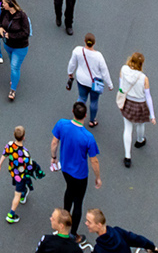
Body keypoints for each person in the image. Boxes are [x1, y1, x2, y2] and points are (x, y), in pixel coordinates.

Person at [50, 101, 102, 242]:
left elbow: (54, 142)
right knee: (78, 202)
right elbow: (94, 161)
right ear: (85, 115)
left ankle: (63, 223)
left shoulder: (62, 124)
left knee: (69, 191)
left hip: (65, 169)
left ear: (72, 111)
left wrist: (53, 158)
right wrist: (97, 177)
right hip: (80, 174)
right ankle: (73, 234)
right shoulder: (88, 137)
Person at [117, 52, 156, 168]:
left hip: (127, 103)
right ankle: (140, 140)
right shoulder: (143, 78)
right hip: (140, 105)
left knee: (127, 128)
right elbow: (148, 96)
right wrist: (152, 115)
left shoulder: (123, 69)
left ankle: (127, 156)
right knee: (140, 124)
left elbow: (121, 86)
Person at [66, 33, 113, 127]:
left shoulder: (78, 51)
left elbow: (72, 63)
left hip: (81, 80)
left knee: (82, 97)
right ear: (94, 43)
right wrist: (110, 84)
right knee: (94, 101)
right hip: (94, 83)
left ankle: (77, 117)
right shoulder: (98, 56)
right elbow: (104, 71)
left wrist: (70, 73)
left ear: (84, 41)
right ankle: (92, 121)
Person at [0, 125, 32, 224]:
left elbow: (4, 154)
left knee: (20, 188)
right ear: (24, 137)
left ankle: (23, 195)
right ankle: (11, 214)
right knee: (17, 194)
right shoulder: (25, 153)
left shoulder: (10, 145)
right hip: (21, 176)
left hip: (13, 172)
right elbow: (29, 167)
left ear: (14, 135)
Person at [0, 0, 31, 102]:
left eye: (4, 3)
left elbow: (26, 33)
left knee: (14, 67)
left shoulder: (22, 16)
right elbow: (0, 22)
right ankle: (14, 78)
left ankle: (12, 89)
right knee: (12, 63)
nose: (2, 5)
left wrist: (11, 36)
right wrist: (0, 29)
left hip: (20, 47)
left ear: (10, 4)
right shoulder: (4, 12)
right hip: (8, 45)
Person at [84, 208, 158, 252]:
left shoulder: (99, 249)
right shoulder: (118, 232)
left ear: (99, 225)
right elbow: (135, 239)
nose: (86, 223)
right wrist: (151, 247)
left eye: (89, 222)